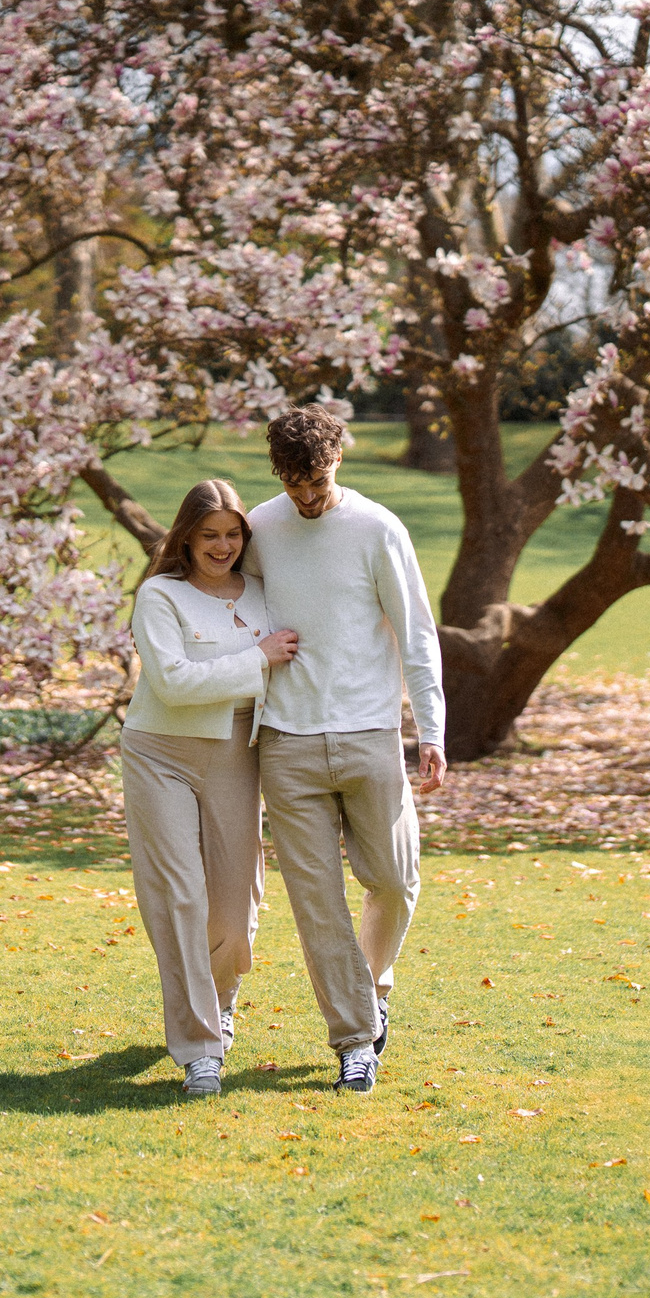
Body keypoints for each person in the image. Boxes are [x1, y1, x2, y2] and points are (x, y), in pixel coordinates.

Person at [244, 407, 446, 1093]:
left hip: (369, 736)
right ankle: (355, 1040)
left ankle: (374, 983)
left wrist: (431, 730)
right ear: (279, 474)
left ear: (338, 461)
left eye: (318, 481)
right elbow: (232, 608)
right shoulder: (261, 528)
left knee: (393, 879)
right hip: (287, 744)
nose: (307, 497)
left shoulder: (377, 528)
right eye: (294, 484)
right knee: (318, 905)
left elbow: (417, 635)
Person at [121, 478, 300, 1096]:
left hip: (235, 753)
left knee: (234, 906)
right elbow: (172, 683)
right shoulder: (160, 595)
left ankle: (221, 999)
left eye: (232, 535)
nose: (222, 547)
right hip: (159, 751)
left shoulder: (264, 593)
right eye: (209, 535)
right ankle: (199, 1048)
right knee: (180, 897)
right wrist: (258, 658)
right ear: (186, 537)